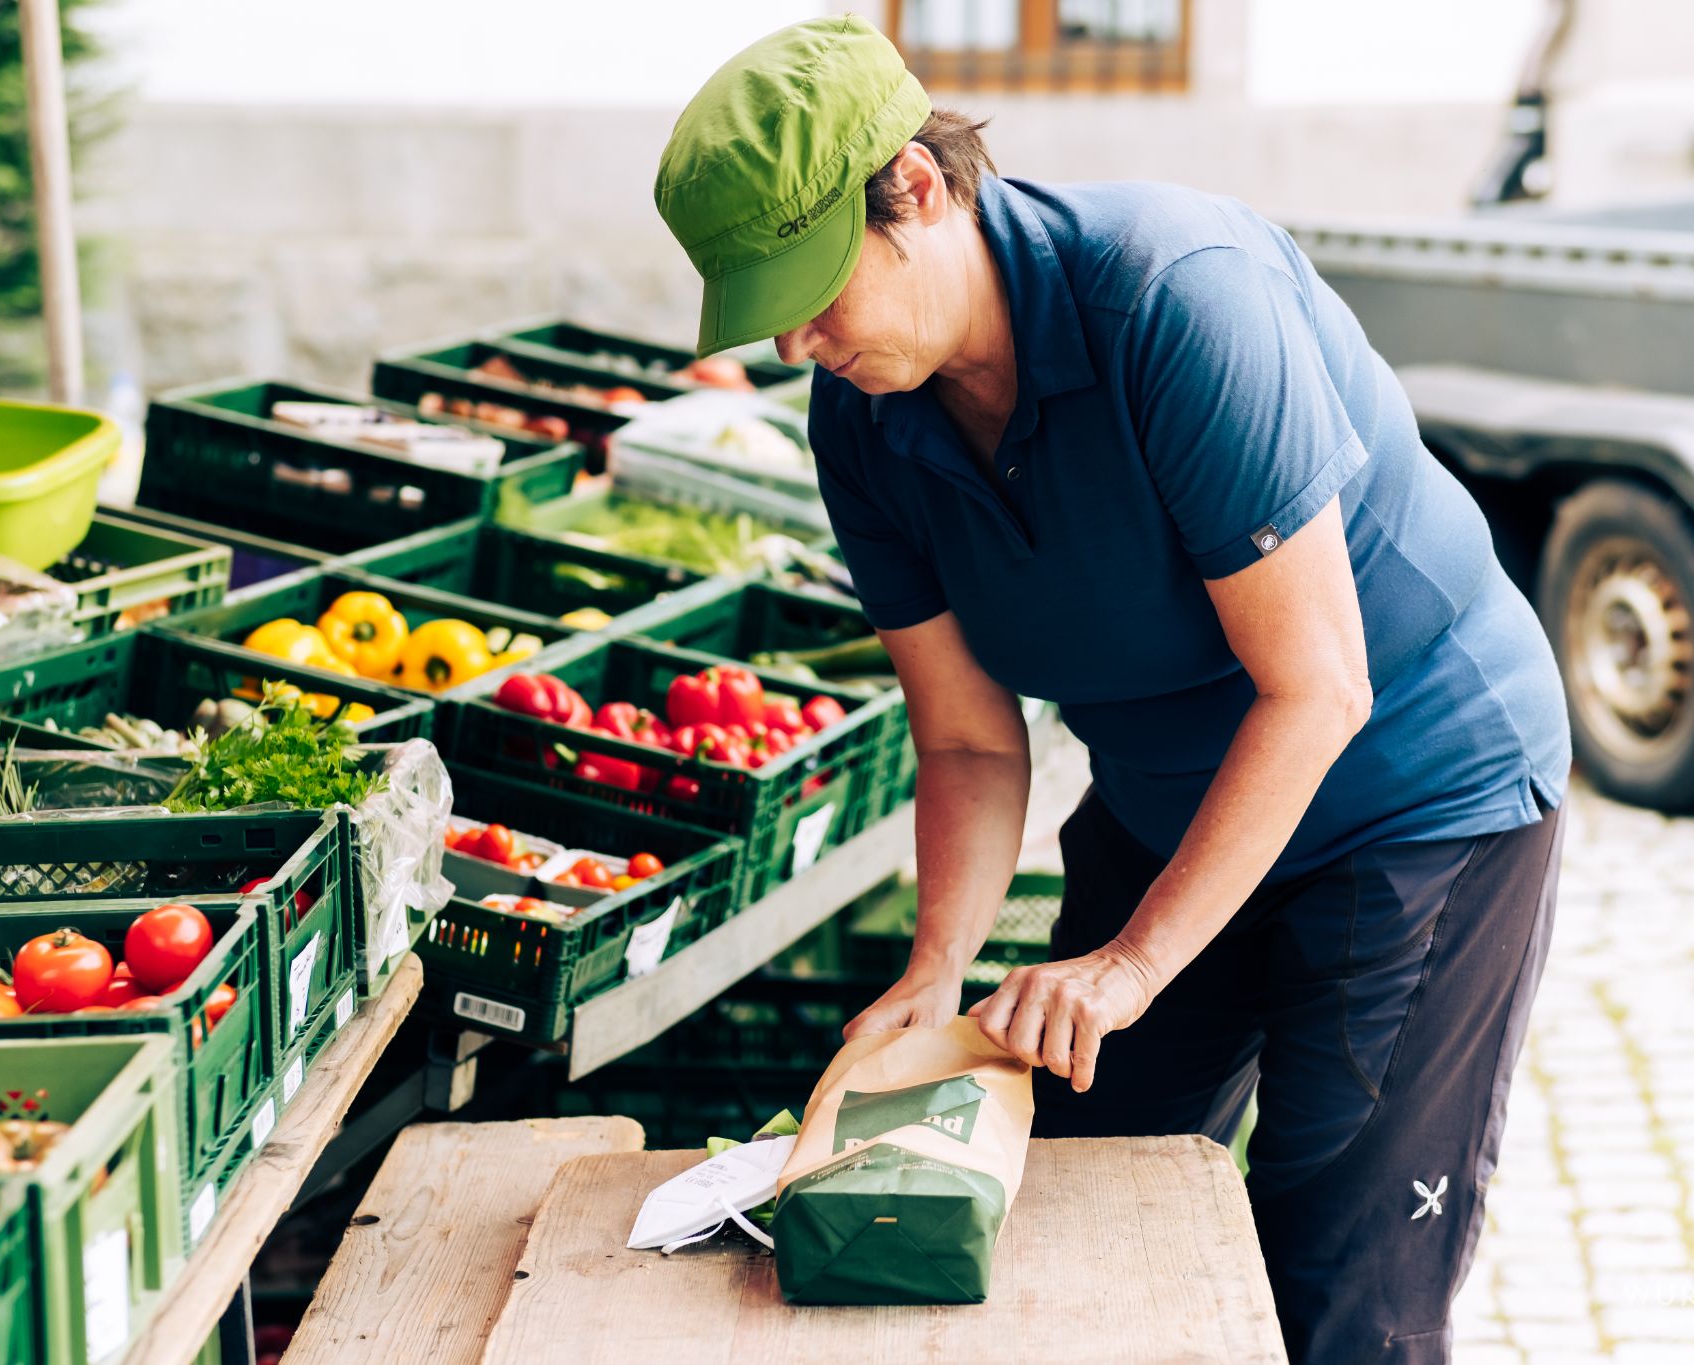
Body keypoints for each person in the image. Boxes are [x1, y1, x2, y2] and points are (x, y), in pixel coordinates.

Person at [655, 17, 1572, 1362]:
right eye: (766, 312)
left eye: (812, 290)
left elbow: (1319, 687)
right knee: (1068, 1195)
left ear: (916, 185)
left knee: (1337, 1283)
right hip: (1168, 805)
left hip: (1413, 803)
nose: (795, 341)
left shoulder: (1175, 300)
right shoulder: (864, 419)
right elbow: (969, 742)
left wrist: (1134, 964)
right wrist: (935, 970)